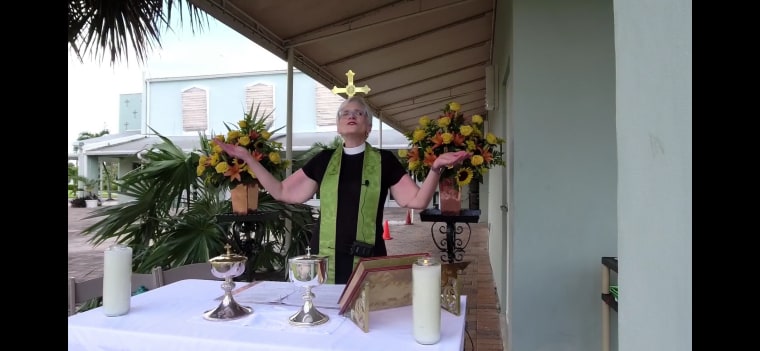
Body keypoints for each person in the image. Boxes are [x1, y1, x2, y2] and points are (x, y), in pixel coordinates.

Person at [214, 96, 469, 284]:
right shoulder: (324, 160)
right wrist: (249, 158)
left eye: (359, 113)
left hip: (368, 256)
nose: (352, 115)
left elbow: (417, 201)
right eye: (345, 112)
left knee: (367, 322)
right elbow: (283, 191)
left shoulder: (384, 161)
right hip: (324, 256)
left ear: (368, 126)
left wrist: (435, 169)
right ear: (337, 126)